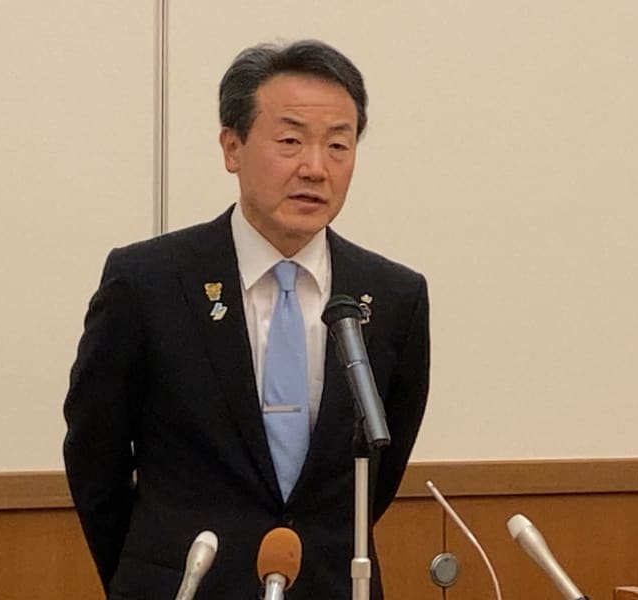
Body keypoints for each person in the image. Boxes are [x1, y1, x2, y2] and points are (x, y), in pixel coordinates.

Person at [63, 39, 429, 600]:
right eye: (290, 141)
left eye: (339, 144)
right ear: (232, 147)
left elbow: (381, 468)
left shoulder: (392, 296)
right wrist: (144, 573)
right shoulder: (148, 282)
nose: (315, 168)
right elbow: (95, 455)